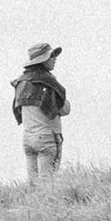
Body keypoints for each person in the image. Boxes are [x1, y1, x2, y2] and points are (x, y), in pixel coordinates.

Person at [12, 43, 69, 183]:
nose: (55, 59)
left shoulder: (21, 83)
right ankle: (48, 205)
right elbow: (64, 109)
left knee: (33, 184)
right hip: (47, 136)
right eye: (51, 56)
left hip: (28, 138)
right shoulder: (48, 82)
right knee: (48, 182)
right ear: (43, 60)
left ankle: (31, 205)